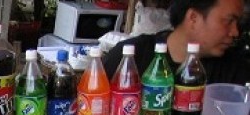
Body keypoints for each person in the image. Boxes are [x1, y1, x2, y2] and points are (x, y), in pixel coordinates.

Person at [103, 0, 250, 85]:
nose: (235, 32)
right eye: (228, 21)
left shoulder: (235, 69)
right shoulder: (129, 56)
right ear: (193, 18)